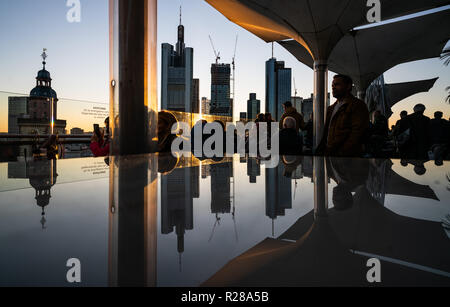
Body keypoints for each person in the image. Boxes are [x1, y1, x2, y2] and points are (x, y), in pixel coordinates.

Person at [317, 74, 369, 157]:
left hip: (348, 159)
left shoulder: (357, 105)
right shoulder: (331, 108)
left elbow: (357, 133)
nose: (333, 87)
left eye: (337, 84)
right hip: (331, 155)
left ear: (348, 86)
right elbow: (326, 133)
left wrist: (342, 153)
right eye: (332, 85)